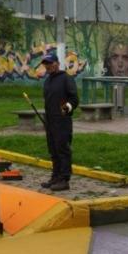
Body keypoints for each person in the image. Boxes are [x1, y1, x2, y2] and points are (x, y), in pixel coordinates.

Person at [39, 53, 79, 192]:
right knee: (53, 150)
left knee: (63, 150)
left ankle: (64, 179)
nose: (48, 66)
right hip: (50, 121)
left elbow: (74, 99)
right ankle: (55, 176)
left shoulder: (66, 78)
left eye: (50, 63)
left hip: (62, 121)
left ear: (57, 63)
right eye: (46, 64)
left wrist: (65, 109)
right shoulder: (48, 81)